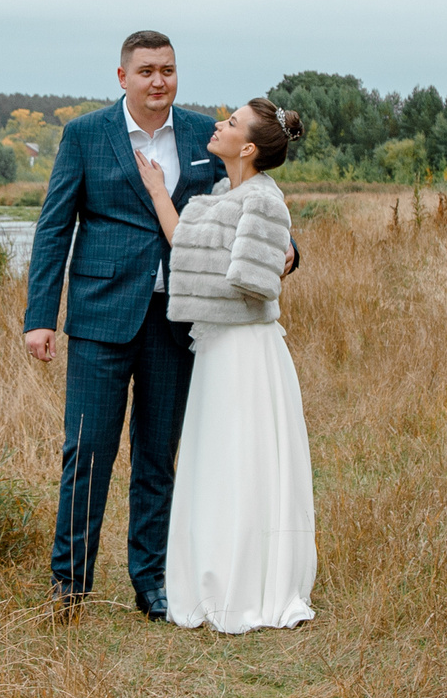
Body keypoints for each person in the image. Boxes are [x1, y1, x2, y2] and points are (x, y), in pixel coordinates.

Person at [21, 31, 294, 619]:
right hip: (100, 318)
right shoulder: (85, 136)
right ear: (122, 77)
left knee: (157, 457)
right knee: (87, 452)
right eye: (145, 70)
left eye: (167, 69)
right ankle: (69, 585)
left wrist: (288, 245)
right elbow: (53, 228)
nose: (158, 80)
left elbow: (246, 196)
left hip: (178, 322)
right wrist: (41, 317)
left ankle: (152, 582)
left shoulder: (205, 135)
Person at [136, 97, 317, 633]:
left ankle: (251, 584)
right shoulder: (223, 192)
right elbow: (189, 244)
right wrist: (157, 194)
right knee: (216, 459)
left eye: (231, 123)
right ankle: (212, 573)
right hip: (217, 345)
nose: (219, 125)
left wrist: (269, 256)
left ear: (249, 147)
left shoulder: (263, 201)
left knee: (244, 460)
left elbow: (251, 283)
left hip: (245, 350)